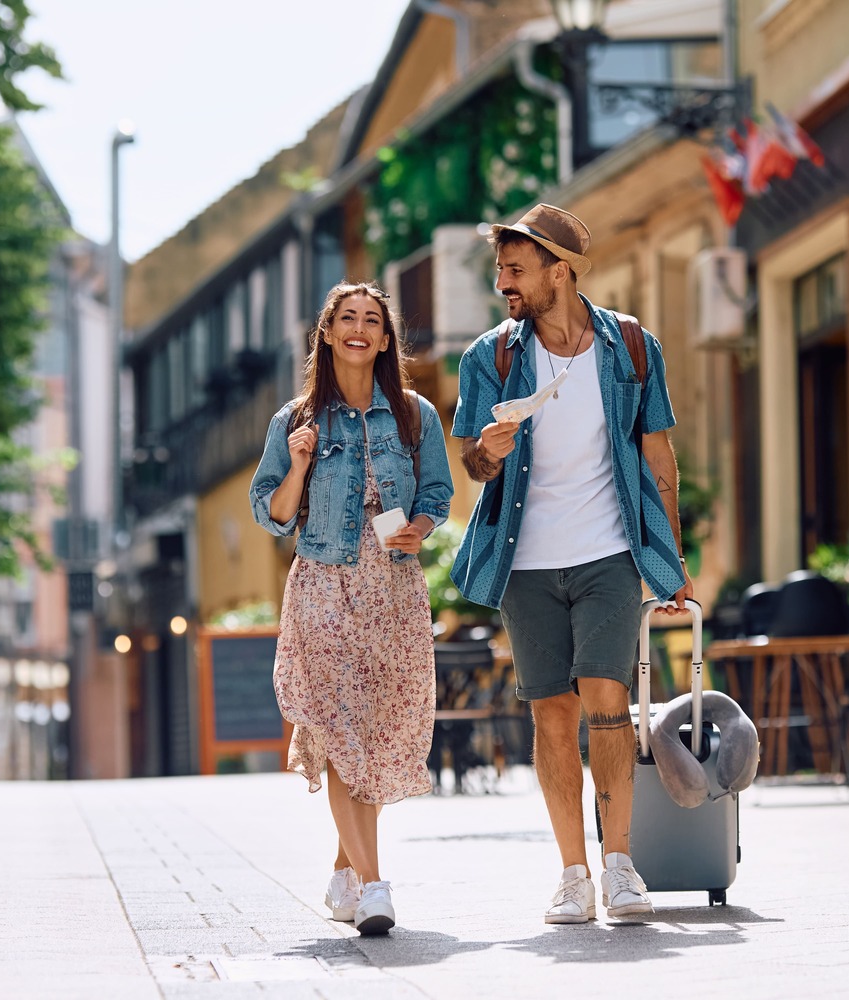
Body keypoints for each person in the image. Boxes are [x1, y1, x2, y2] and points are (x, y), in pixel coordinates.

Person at [451, 204, 694, 923]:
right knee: (552, 715)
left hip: (608, 552)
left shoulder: (630, 348)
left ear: (561, 271)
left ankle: (620, 866)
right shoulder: (488, 359)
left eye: (517, 269)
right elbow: (472, 462)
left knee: (607, 702)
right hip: (525, 563)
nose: (505, 283)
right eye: (501, 269)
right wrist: (487, 454)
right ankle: (572, 875)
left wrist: (670, 557)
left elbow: (657, 454)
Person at [250, 281, 452, 936]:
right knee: (340, 730)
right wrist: (300, 466)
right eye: (348, 319)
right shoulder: (296, 420)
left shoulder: (414, 414)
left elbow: (439, 495)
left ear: (386, 339)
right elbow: (273, 514)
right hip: (326, 585)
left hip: (390, 590)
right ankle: (372, 885)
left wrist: (419, 526)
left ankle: (344, 871)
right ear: (328, 334)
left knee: (373, 730)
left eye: (373, 320)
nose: (360, 329)